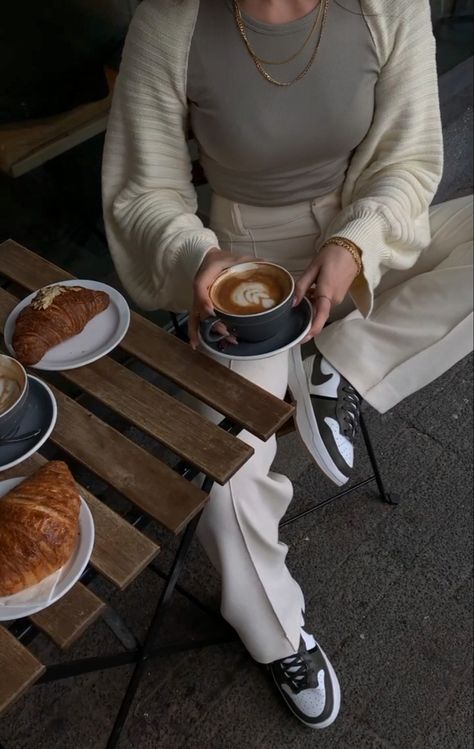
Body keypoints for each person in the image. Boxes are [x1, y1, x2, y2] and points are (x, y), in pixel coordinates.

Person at [102, 0, 474, 729]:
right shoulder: (171, 22)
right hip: (241, 262)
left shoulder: (390, 7)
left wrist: (356, 243)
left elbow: (409, 159)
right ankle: (277, 633)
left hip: (364, 234)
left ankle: (342, 365)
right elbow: (143, 188)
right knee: (221, 469)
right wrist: (193, 253)